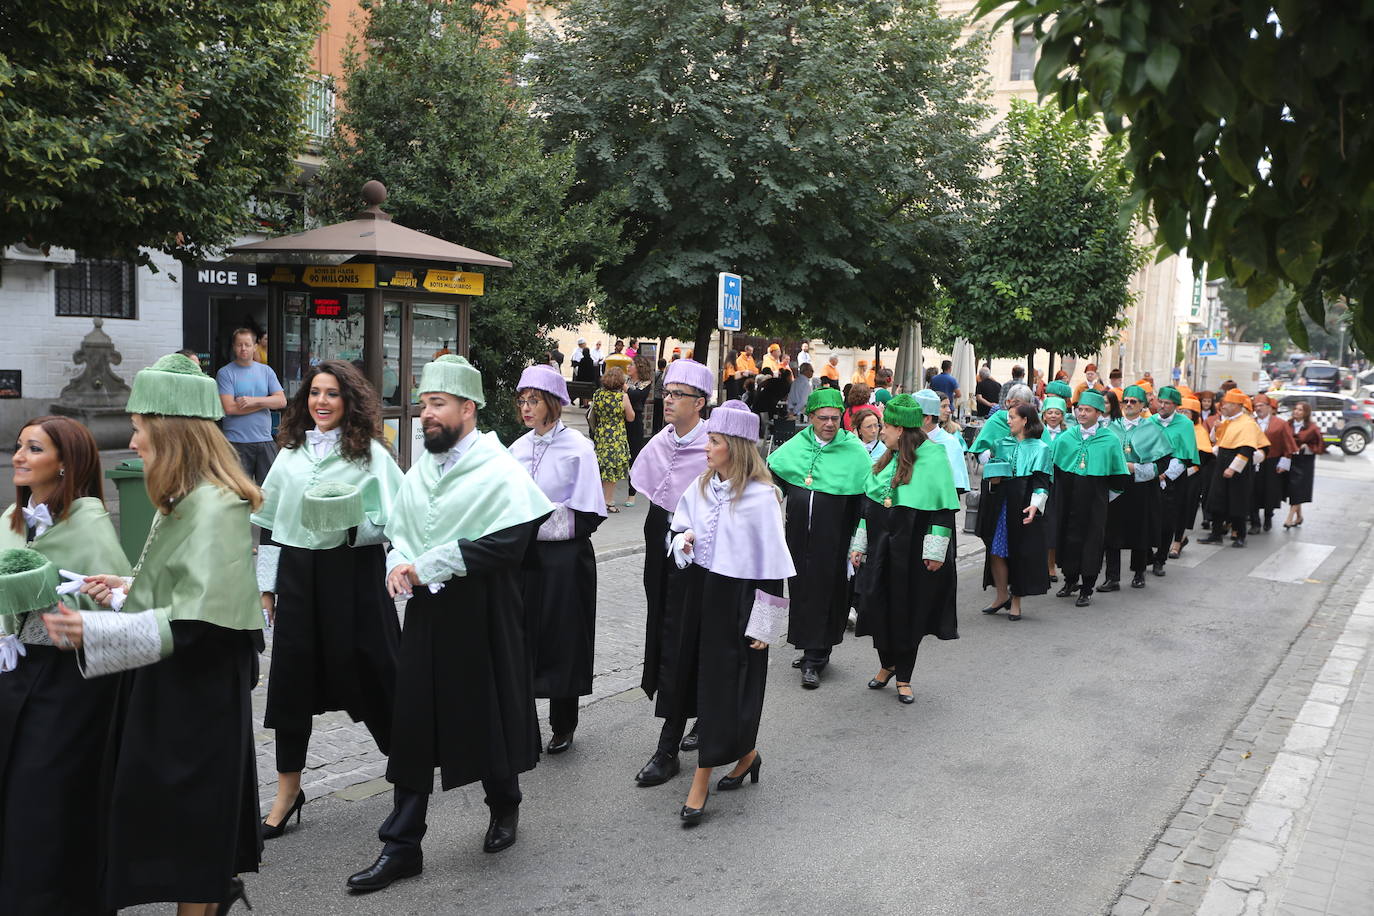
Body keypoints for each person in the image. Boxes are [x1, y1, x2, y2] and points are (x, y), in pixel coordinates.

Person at [45, 353, 263, 913]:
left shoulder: (212, 507)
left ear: (170, 435)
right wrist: (127, 585)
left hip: (196, 697)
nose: (134, 443)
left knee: (189, 825)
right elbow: (185, 587)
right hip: (177, 688)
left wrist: (92, 633)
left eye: (140, 430)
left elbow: (198, 625)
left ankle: (207, 900)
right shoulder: (188, 500)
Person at [346, 355, 553, 893]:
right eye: (422, 405)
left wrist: (429, 565)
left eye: (437, 404)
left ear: (468, 408)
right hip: (430, 615)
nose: (425, 415)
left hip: (483, 612)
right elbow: (401, 529)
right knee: (414, 721)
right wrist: (397, 562)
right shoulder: (422, 468)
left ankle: (504, 802)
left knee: (485, 712)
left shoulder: (499, 467)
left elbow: (509, 545)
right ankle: (402, 844)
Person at [252, 360, 404, 841]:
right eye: (315, 393)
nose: (321, 402)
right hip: (299, 577)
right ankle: (287, 792)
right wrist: (267, 585)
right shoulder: (290, 454)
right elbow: (270, 526)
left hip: (353, 574)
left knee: (377, 676)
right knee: (292, 683)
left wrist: (352, 525)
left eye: (332, 394)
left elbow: (400, 520)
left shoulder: (371, 456)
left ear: (349, 401)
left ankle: (406, 782)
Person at [1, 416, 131, 914]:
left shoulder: (88, 522)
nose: (19, 456)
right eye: (19, 447)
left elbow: (112, 603)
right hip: (14, 675)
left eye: (33, 449)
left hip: (70, 681)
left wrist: (74, 610)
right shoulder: (12, 519)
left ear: (64, 464)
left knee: (50, 794)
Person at [666, 400, 794, 825]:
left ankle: (700, 782)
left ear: (735, 448)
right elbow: (679, 526)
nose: (706, 446)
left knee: (727, 688)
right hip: (703, 593)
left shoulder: (762, 497)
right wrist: (683, 540)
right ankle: (748, 756)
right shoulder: (701, 486)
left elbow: (774, 566)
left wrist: (767, 624)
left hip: (741, 600)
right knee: (704, 682)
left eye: (715, 441)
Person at [509, 364, 607, 755]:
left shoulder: (579, 448)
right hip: (524, 558)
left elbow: (589, 514)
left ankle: (563, 722)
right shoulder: (517, 448)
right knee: (521, 635)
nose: (526, 408)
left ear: (551, 403)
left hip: (566, 560)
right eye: (522, 400)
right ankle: (520, 720)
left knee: (563, 638)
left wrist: (540, 521)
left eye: (533, 400)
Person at [628, 358, 713, 787]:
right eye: (667, 391)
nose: (668, 399)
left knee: (683, 638)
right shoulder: (660, 441)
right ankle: (693, 708)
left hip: (695, 556)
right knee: (664, 633)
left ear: (699, 403)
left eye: (678, 394)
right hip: (657, 551)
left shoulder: (715, 447)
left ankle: (667, 746)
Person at [849, 395, 960, 706]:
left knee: (907, 612)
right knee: (875, 606)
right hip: (881, 551)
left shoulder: (934, 458)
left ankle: (904, 676)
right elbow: (867, 507)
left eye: (886, 427)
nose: (881, 432)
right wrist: (859, 544)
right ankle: (887, 663)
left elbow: (942, 511)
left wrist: (936, 552)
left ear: (901, 430)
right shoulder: (886, 458)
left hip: (913, 555)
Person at [767, 388, 871, 689]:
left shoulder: (854, 450)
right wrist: (774, 493)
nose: (829, 423)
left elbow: (865, 502)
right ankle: (809, 646)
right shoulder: (798, 444)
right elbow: (777, 477)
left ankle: (815, 658)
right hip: (798, 536)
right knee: (801, 591)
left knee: (826, 593)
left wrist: (858, 542)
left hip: (835, 538)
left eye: (835, 418)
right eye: (823, 418)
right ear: (810, 417)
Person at [1049, 390, 1129, 606]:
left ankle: (1087, 587)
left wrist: (1102, 498)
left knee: (1091, 542)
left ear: (1099, 413)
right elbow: (1055, 469)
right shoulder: (1067, 437)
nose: (1082, 414)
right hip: (1069, 497)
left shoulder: (1110, 440)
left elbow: (1119, 476)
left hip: (1095, 500)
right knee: (1068, 537)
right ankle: (1070, 580)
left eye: (1088, 410)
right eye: (1080, 409)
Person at [975, 404, 1053, 621]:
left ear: (1025, 420)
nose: (1008, 421)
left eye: (1012, 417)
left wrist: (1035, 505)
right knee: (996, 549)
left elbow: (1042, 482)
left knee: (1020, 551)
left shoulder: (1041, 448)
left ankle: (1016, 600)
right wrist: (993, 477)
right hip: (1000, 502)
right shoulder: (1001, 444)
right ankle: (1001, 595)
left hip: (1023, 502)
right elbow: (994, 475)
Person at [1103, 385, 1174, 591]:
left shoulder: (1152, 429)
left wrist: (1137, 468)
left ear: (1143, 405)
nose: (1129, 404)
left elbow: (1163, 461)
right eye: (1126, 400)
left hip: (1142, 487)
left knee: (1140, 530)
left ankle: (1139, 572)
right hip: (1116, 485)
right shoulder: (1111, 428)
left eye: (1134, 401)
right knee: (1112, 531)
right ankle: (1112, 577)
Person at [217, 326, 287, 484]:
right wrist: (267, 402)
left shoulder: (266, 371)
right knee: (239, 492)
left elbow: (281, 401)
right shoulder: (225, 373)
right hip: (236, 443)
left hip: (265, 440)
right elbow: (230, 408)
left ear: (255, 346)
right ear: (234, 347)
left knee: (269, 490)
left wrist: (254, 401)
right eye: (239, 344)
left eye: (247, 345)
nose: (243, 348)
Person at [1200, 389, 1268, 549]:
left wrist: (1233, 468)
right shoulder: (1229, 421)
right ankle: (1216, 534)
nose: (1224, 406)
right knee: (1217, 500)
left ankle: (1240, 535)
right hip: (1221, 464)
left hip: (1239, 470)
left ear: (1237, 406)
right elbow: (1217, 441)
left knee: (1237, 503)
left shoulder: (1248, 424)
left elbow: (1246, 449)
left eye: (1228, 404)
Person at [1149, 387, 1200, 567]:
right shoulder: (1150, 421)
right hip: (1150, 473)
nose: (1162, 406)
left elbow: (1185, 454)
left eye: (1167, 403)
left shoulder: (1185, 423)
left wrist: (1165, 475)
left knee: (1167, 520)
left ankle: (1160, 559)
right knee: (1147, 517)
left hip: (1174, 477)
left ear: (1176, 406)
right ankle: (1146, 554)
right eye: (1160, 402)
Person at [590, 367, 635, 513]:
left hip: (601, 434)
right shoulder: (622, 397)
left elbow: (594, 413)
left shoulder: (598, 394)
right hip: (616, 437)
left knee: (602, 468)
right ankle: (608, 501)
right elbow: (630, 417)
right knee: (612, 471)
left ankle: (596, 498)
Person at [1250, 394, 1297, 533]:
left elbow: (1288, 444)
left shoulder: (1280, 424)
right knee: (1253, 491)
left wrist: (1285, 461)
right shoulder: (1250, 422)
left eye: (1261, 406)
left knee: (1270, 491)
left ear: (1269, 408)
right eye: (1256, 406)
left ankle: (1268, 516)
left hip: (1272, 461)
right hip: (1254, 461)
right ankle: (1255, 522)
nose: (1258, 409)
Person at [915, 389, 971, 495]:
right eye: (943, 406)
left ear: (927, 418)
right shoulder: (907, 440)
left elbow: (954, 484)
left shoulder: (950, 442)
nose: (949, 410)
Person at [1039, 395, 1071, 582]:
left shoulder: (1068, 434)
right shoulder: (1036, 432)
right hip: (1040, 480)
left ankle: (1051, 564)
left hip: (1059, 482)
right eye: (1049, 412)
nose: (1053, 416)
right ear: (1044, 415)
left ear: (1062, 416)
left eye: (1057, 413)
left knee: (1054, 524)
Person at [1283, 400, 1325, 528]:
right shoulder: (1288, 424)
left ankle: (1289, 518)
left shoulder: (1312, 428)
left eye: (1300, 410)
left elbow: (1320, 443)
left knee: (1298, 487)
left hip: (1304, 461)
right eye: (1295, 408)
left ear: (1306, 413)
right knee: (1293, 488)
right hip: (1290, 458)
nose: (1296, 411)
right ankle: (1299, 516)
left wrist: (1308, 447)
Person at [1179, 396, 1214, 542]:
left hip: (1190, 476)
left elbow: (1203, 456)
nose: (1182, 415)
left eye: (1186, 412)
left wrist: (1185, 471)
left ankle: (1179, 539)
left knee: (1185, 508)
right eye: (1180, 411)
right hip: (1168, 474)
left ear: (1194, 415)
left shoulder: (1199, 431)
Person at [967, 383, 1036, 456]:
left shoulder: (1033, 422)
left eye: (1025, 406)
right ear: (1008, 402)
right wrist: (994, 453)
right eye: (1017, 404)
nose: (1021, 410)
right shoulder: (996, 420)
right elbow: (980, 453)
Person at [624, 355, 654, 508]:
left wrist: (624, 388)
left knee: (634, 458)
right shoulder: (626, 381)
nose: (628, 367)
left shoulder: (645, 383)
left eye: (632, 365)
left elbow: (636, 396)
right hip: (621, 421)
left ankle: (632, 494)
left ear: (639, 367)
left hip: (635, 423)